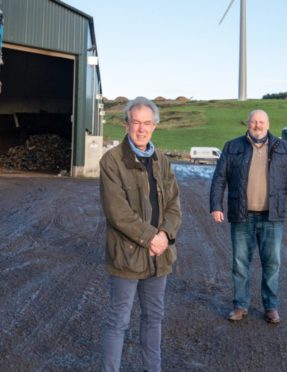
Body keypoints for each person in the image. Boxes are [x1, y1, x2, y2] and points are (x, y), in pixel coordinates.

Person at [99, 97, 182, 372]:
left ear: (154, 127)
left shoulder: (162, 161)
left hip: (159, 255)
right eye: (136, 122)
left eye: (147, 123)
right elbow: (117, 212)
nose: (141, 128)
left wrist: (164, 236)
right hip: (128, 254)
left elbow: (174, 206)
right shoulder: (112, 161)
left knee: (153, 318)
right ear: (126, 125)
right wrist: (150, 238)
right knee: (118, 321)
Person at [210, 109, 287, 324]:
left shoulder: (283, 147)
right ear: (248, 123)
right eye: (254, 122)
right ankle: (240, 305)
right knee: (240, 263)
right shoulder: (232, 146)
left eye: (261, 122)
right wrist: (216, 206)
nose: (258, 125)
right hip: (241, 215)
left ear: (268, 124)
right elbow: (219, 179)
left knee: (272, 263)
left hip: (272, 216)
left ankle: (270, 306)